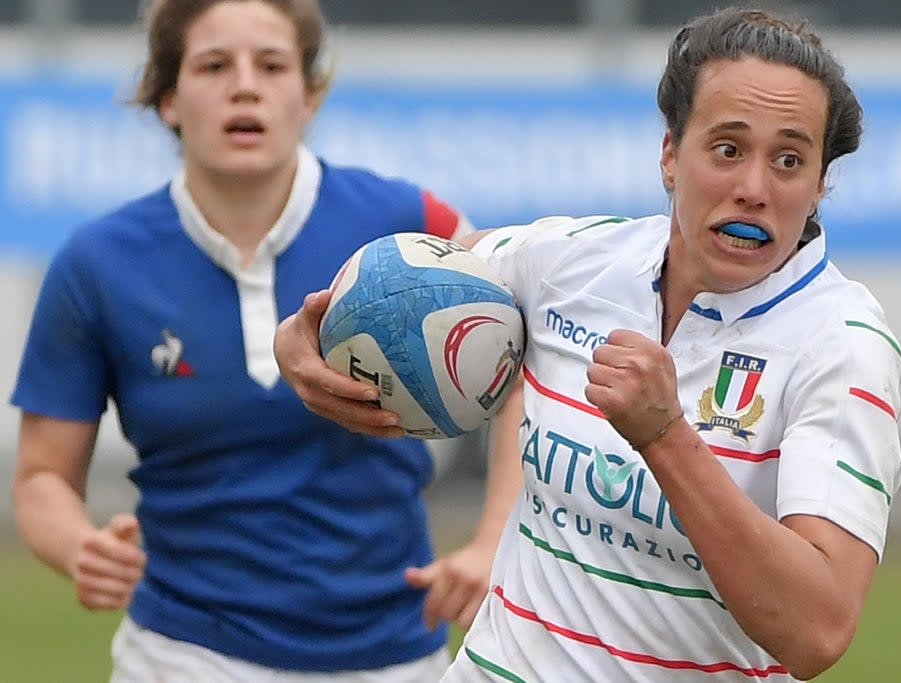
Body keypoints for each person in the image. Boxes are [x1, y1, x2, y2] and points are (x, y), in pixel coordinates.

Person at [273, 7, 901, 682]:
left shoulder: (843, 346)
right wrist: (307, 341)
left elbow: (818, 628)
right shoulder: (570, 260)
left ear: (818, 186)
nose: (754, 188)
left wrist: (665, 437)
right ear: (670, 154)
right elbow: (409, 286)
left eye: (788, 159)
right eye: (727, 149)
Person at [9, 1, 519, 681]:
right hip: (181, 653)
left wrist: (493, 540)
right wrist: (81, 547)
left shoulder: (406, 227)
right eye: (214, 64)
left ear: (307, 97)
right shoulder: (97, 262)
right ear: (167, 98)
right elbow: (42, 477)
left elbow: (523, 358)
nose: (244, 84)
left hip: (396, 652)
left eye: (271, 65)